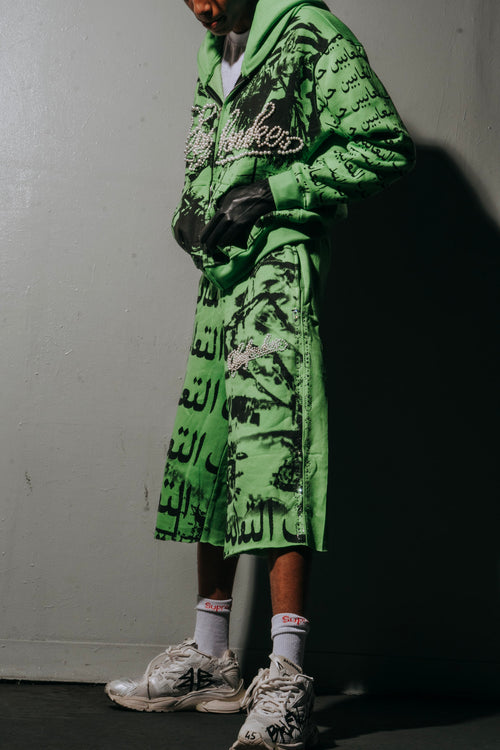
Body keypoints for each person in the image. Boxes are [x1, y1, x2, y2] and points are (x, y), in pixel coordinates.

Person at [105, 1, 415, 747]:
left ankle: (286, 676)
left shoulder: (311, 34)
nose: (201, 8)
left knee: (276, 456)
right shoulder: (215, 52)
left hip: (278, 271)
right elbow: (204, 159)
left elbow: (382, 142)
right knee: (210, 454)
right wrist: (190, 216)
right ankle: (212, 659)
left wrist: (277, 192)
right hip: (222, 278)